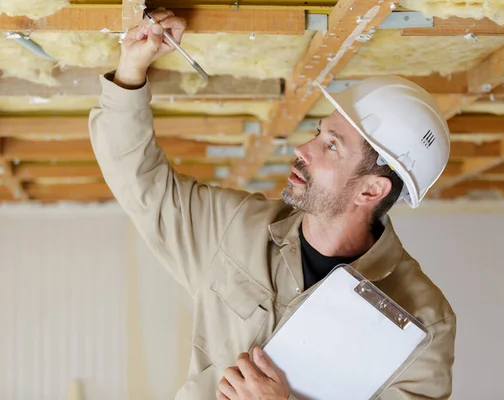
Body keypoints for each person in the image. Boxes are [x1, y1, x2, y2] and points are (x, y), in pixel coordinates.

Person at [89, 8, 456, 400]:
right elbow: (138, 179)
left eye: (331, 145)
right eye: (319, 132)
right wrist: (131, 68)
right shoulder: (234, 228)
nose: (302, 148)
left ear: (370, 191)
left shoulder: (421, 319)